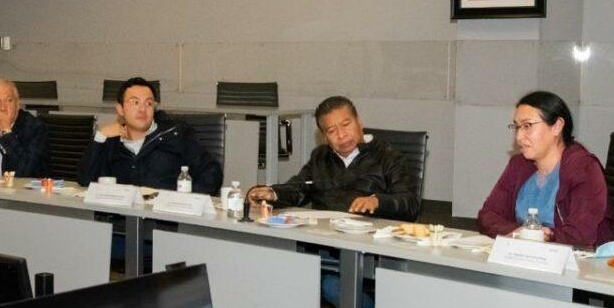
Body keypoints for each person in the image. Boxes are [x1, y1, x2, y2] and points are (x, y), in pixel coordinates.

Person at [477, 90, 614, 247]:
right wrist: (519, 232)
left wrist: (542, 236)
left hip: (581, 257)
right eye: (516, 127)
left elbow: (580, 235)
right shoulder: (519, 165)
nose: (519, 137)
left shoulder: (583, 167)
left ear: (557, 126)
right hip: (525, 253)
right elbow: (487, 216)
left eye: (527, 126)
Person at [247, 95, 419, 220]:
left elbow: (409, 203)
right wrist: (272, 193)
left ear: (359, 122)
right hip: (323, 238)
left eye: (346, 125)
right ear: (324, 137)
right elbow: (298, 188)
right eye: (331, 131)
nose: (341, 135)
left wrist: (377, 201)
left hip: (368, 241)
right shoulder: (321, 156)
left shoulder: (389, 156)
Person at [77, 77, 222, 194]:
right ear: (120, 109)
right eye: (135, 102)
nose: (142, 109)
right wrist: (100, 137)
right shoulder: (111, 140)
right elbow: (85, 180)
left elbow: (211, 174)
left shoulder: (176, 134)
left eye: (149, 103)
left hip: (164, 217)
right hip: (121, 217)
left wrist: (182, 199)